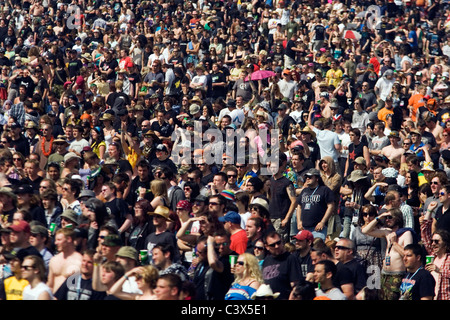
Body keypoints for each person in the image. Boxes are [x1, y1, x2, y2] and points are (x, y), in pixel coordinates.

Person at [362, 208, 414, 300]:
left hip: (397, 275)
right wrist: (379, 217)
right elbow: (365, 231)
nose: (387, 220)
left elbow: (408, 254)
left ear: (397, 218)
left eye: (390, 217)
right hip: (384, 273)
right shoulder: (387, 232)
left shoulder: (406, 233)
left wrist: (394, 243)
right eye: (386, 218)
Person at [261, 231, 304, 300]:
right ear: (267, 247)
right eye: (273, 245)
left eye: (278, 242)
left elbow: (296, 285)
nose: (277, 246)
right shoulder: (266, 260)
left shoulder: (291, 259)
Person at [296, 168, 335, 240]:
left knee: (317, 249)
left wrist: (322, 222)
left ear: (317, 178)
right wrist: (299, 221)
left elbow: (331, 206)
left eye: (310, 177)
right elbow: (299, 207)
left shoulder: (324, 190)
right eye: (306, 177)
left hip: (318, 229)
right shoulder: (304, 191)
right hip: (304, 227)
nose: (307, 178)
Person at [47, 228, 83, 293]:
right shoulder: (54, 260)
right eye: (55, 240)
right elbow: (50, 285)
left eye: (59, 240)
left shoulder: (79, 261)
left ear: (69, 239)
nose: (55, 243)